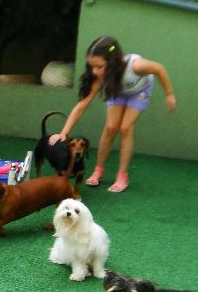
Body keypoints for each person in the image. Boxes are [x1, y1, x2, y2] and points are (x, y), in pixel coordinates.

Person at [48, 36, 176, 193]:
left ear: (112, 61)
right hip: (117, 89)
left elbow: (159, 69)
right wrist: (64, 132)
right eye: (92, 66)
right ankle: (98, 170)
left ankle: (122, 176)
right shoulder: (100, 76)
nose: (95, 71)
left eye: (99, 66)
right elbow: (82, 105)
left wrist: (169, 94)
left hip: (139, 91)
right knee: (110, 127)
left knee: (125, 128)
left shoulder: (136, 66)